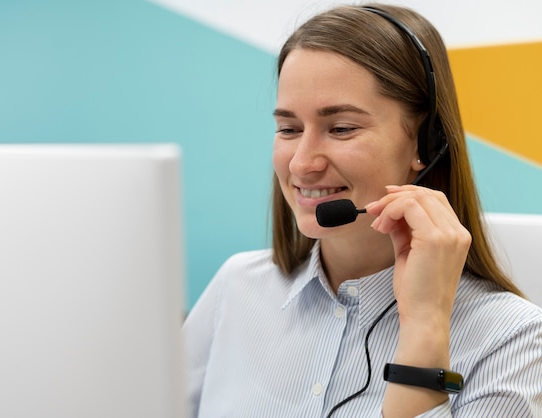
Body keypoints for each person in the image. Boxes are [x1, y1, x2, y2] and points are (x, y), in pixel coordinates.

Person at [183, 3, 542, 417]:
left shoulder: (511, 339)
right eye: (288, 129)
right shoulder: (237, 288)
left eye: (341, 128)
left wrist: (423, 330)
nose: (301, 163)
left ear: (425, 143)